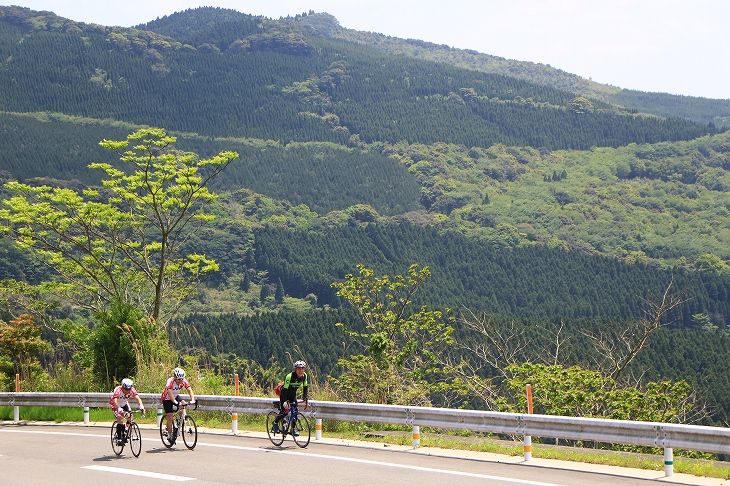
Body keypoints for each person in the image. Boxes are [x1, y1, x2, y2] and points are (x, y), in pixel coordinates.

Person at [273, 360, 309, 435]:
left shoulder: (304, 376)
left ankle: (293, 429)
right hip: (284, 394)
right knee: (285, 412)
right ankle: (275, 423)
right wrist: (285, 401)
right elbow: (285, 389)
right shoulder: (289, 376)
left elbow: (305, 387)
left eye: (302, 369)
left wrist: (305, 398)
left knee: (295, 412)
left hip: (293, 395)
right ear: (295, 369)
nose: (300, 371)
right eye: (298, 369)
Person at [161, 367, 195, 443]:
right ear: (175, 378)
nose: (181, 381)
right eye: (179, 379)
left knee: (184, 404)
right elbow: (169, 393)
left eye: (182, 379)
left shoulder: (183, 381)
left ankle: (179, 419)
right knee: (170, 417)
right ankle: (169, 435)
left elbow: (189, 389)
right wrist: (176, 402)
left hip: (176, 396)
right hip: (167, 398)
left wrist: (192, 399)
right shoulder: (170, 381)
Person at [110, 378, 145, 445]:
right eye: (125, 389)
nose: (127, 391)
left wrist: (141, 406)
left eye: (129, 389)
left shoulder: (132, 390)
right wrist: (120, 409)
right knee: (120, 418)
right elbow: (115, 401)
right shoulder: (118, 390)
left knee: (130, 416)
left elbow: (137, 398)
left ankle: (126, 430)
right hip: (116, 405)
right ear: (122, 387)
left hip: (124, 404)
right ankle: (119, 439)